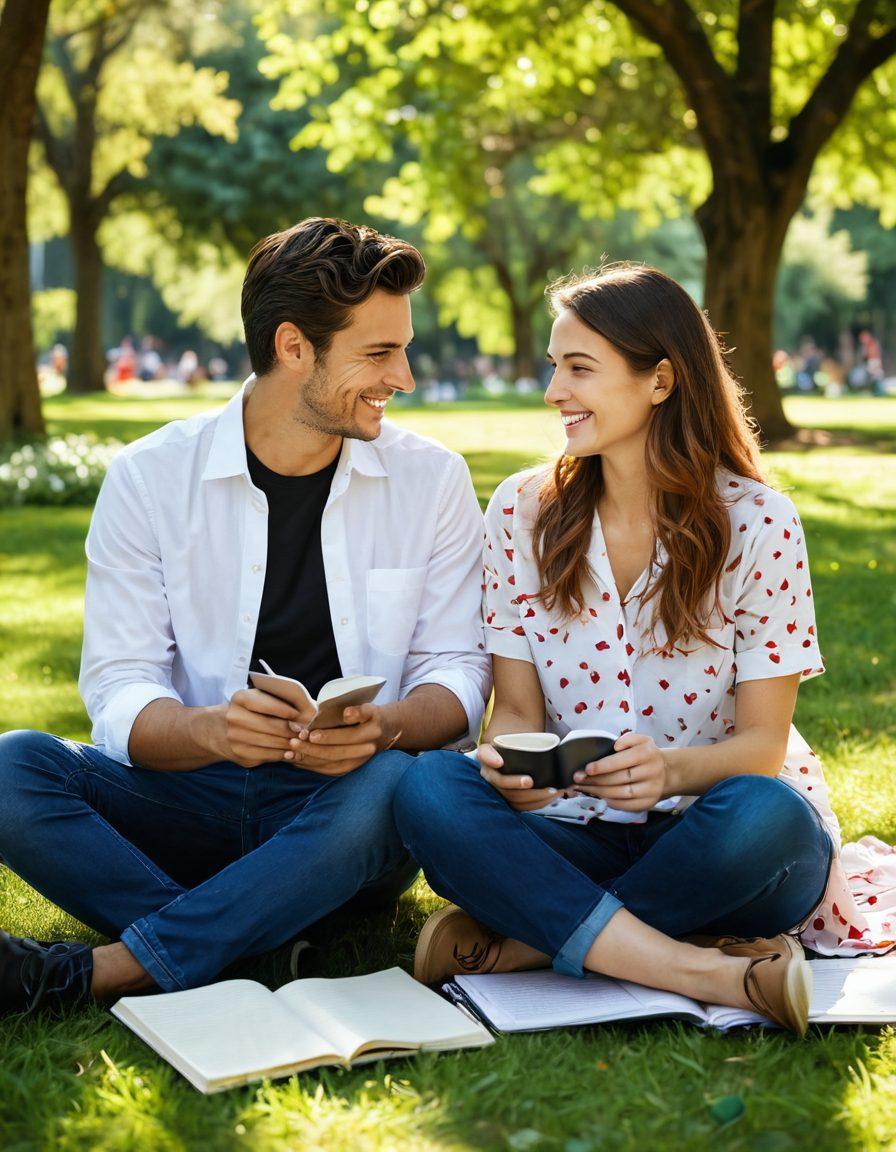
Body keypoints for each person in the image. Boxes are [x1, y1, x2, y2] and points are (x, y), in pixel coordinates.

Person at [0, 218, 490, 1016]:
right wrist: (213, 733)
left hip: (343, 814)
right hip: (187, 799)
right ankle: (255, 941)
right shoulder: (149, 477)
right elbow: (118, 688)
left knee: (405, 778)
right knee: (12, 766)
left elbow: (460, 671)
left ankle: (103, 971)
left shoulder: (430, 479)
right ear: (294, 346)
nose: (402, 375)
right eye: (378, 353)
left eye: (401, 348)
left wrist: (384, 727)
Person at [394, 264, 840, 1036]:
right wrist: (512, 768)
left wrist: (668, 771)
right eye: (553, 367)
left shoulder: (761, 524)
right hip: (572, 832)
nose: (553, 391)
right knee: (430, 787)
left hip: (716, 833)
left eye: (579, 368)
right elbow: (518, 712)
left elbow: (763, 748)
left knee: (767, 816)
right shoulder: (522, 512)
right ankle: (698, 964)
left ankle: (535, 941)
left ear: (660, 379)